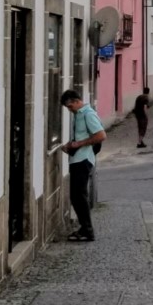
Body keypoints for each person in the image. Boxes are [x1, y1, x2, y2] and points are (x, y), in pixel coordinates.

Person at [60, 89, 105, 242]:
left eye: (70, 106)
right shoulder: (79, 114)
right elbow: (81, 136)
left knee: (79, 196)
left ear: (77, 101)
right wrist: (70, 145)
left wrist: (78, 144)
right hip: (77, 159)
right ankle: (85, 228)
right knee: (76, 196)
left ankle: (87, 230)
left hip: (83, 160)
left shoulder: (88, 114)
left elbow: (101, 135)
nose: (69, 110)